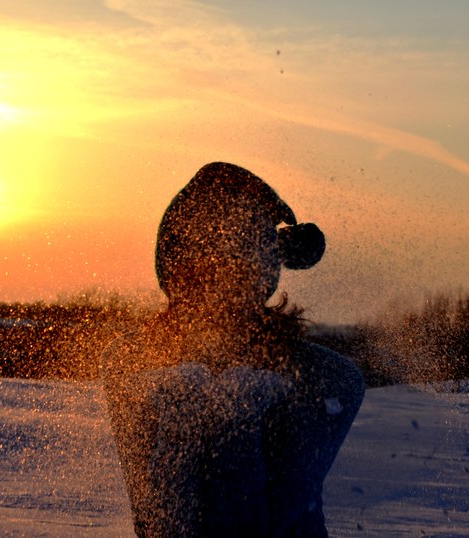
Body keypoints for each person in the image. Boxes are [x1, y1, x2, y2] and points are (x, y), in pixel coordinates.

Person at [101, 162, 365, 537]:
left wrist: (249, 411)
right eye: (204, 271)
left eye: (238, 271)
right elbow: (156, 518)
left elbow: (289, 508)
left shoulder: (312, 373)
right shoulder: (137, 363)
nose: (220, 293)